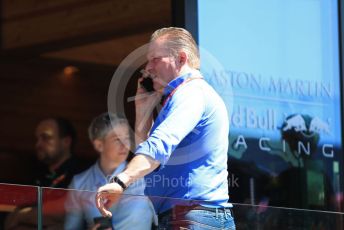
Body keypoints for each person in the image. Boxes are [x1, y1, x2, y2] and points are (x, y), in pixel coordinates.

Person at [96, 27, 235, 229]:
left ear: (181, 58)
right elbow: (150, 158)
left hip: (194, 217)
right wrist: (143, 109)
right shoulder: (182, 95)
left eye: (155, 59)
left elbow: (158, 146)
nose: (148, 68)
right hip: (186, 217)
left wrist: (121, 181)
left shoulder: (191, 93)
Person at [64, 112, 155, 230]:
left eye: (127, 138)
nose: (125, 145)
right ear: (99, 145)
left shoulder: (146, 177)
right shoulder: (79, 182)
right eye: (117, 139)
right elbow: (71, 227)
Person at [5, 117, 83, 230]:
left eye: (46, 138)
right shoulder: (34, 171)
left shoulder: (81, 174)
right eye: (37, 139)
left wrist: (23, 216)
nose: (38, 144)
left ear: (66, 142)